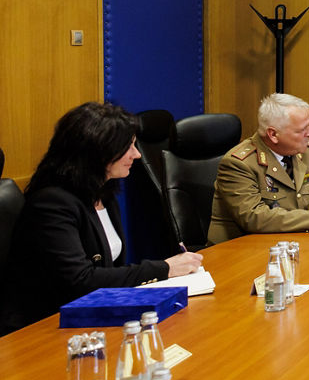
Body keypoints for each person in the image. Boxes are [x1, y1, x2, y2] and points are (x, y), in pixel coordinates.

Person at [1, 102, 203, 334]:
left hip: (88, 316)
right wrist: (164, 268)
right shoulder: (52, 203)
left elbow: (108, 270)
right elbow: (81, 281)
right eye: (128, 148)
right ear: (98, 152)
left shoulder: (103, 192)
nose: (137, 155)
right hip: (41, 327)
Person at [208, 93, 309, 244]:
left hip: (291, 244)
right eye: (301, 130)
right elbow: (254, 217)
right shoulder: (239, 163)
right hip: (239, 251)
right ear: (273, 134)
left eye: (308, 125)